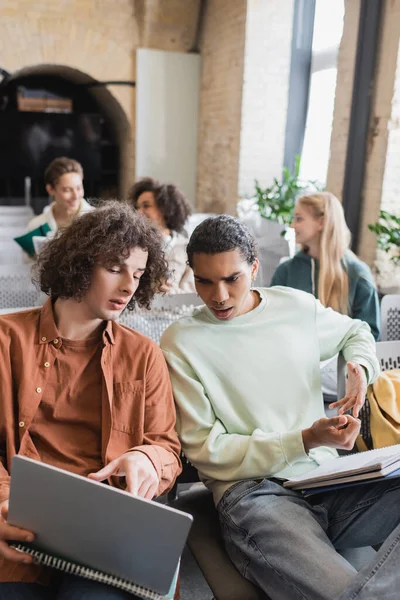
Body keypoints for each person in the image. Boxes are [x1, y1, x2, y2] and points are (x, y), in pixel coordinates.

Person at [160, 214, 400, 600]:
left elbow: (356, 331)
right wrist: (304, 439)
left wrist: (362, 369)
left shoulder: (296, 307)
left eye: (231, 278)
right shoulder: (180, 342)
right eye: (204, 280)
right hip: (255, 494)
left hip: (329, 479)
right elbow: (206, 450)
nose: (218, 295)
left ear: (254, 268)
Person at [0, 202, 181, 599]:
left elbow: (167, 448)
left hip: (104, 535)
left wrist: (148, 459)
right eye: (115, 268)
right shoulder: (5, 339)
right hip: (17, 520)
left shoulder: (143, 355)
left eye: (137, 274)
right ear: (79, 264)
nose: (129, 286)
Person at [270, 191, 380, 339]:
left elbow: (370, 335)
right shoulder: (285, 271)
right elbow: (269, 322)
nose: (292, 225)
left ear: (321, 223)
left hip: (342, 362)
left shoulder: (358, 275)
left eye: (299, 219)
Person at [129, 177, 195, 294]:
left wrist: (171, 291)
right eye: (138, 207)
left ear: (165, 208)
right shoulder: (131, 245)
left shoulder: (187, 247)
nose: (139, 212)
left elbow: (191, 289)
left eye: (146, 206)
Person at [27, 157, 94, 233]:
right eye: (67, 190)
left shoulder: (98, 222)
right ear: (50, 189)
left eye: (79, 188)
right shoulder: (36, 226)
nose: (75, 196)